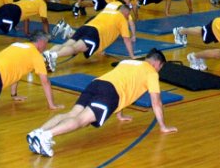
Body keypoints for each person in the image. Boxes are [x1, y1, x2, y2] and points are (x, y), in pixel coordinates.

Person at [26, 49, 177, 157]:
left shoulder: (128, 62)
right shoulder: (151, 72)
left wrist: (120, 114)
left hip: (97, 84)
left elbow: (123, 82)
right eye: (161, 67)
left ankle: (37, 132)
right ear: (157, 63)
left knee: (72, 114)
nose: (159, 70)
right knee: (81, 121)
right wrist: (163, 126)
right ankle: (46, 136)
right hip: (109, 93)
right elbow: (156, 102)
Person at [42, 3, 133, 72]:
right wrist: (132, 56)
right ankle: (53, 55)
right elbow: (126, 40)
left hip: (85, 27)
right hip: (95, 33)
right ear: (125, 12)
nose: (128, 17)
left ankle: (47, 54)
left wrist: (100, 49)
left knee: (66, 44)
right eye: (128, 14)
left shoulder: (107, 12)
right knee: (75, 49)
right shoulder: (122, 19)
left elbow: (106, 27)